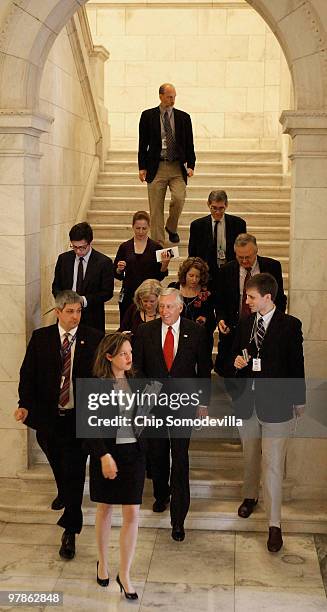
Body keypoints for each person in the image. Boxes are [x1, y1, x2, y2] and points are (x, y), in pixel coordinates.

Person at [14, 290, 103, 560]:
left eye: (78, 311)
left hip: (79, 417)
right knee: (55, 456)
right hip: (50, 416)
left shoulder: (94, 338)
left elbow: (101, 377)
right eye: (70, 312)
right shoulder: (41, 339)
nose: (76, 316)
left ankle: (70, 531)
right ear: (58, 313)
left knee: (75, 472)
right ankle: (64, 491)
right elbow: (27, 373)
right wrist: (24, 403)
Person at [232, 273, 305, 552]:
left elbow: (296, 365)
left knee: (273, 465)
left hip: (277, 407)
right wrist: (237, 362)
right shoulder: (245, 323)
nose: (247, 301)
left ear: (267, 297)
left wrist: (299, 400)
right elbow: (234, 359)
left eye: (251, 297)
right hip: (247, 404)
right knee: (250, 456)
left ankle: (275, 525)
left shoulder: (289, 325)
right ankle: (250, 496)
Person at [133, 288, 211, 542]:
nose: (164, 311)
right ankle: (161, 495)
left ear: (180, 308)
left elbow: (203, 370)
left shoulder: (196, 332)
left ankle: (178, 519)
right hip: (153, 403)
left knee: (179, 457)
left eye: (169, 307)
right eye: (162, 307)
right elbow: (138, 369)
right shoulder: (145, 332)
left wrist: (203, 403)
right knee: (156, 452)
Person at [85, 333, 145, 599]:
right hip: (107, 454)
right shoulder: (96, 386)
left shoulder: (135, 381)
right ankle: (103, 562)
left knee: (132, 512)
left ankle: (125, 573)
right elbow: (89, 427)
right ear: (109, 356)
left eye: (130, 352)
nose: (129, 357)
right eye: (123, 353)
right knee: (105, 508)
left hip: (133, 454)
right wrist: (102, 456)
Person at [215, 233, 287, 376]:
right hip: (235, 329)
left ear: (256, 251)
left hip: (263, 327)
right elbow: (221, 301)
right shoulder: (226, 270)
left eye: (248, 257)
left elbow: (279, 298)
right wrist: (220, 319)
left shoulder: (272, 266)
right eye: (240, 257)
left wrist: (274, 322)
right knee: (233, 370)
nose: (244, 261)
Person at [138, 83, 196, 246]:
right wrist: (142, 167)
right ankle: (158, 242)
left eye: (174, 96)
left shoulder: (184, 117)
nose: (173, 100)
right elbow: (142, 144)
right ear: (161, 96)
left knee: (179, 198)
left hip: (177, 166)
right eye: (170, 97)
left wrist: (191, 164)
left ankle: (171, 226)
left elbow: (189, 143)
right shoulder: (147, 116)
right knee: (155, 208)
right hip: (156, 167)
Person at [52, 222, 114, 333]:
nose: (78, 251)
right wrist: (65, 301)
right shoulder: (64, 259)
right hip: (66, 317)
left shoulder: (104, 262)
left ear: (90, 243)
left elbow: (107, 292)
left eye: (82, 247)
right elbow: (56, 287)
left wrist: (83, 300)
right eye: (74, 247)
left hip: (92, 318)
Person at [114, 210, 170, 323]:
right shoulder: (125, 247)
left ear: (149, 227)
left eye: (144, 228)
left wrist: (165, 264)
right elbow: (116, 274)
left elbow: (160, 276)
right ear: (133, 227)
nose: (141, 231)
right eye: (137, 228)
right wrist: (119, 269)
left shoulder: (156, 247)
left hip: (149, 297)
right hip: (129, 294)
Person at [188, 190, 246, 286]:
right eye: (214, 208)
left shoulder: (238, 224)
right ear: (208, 204)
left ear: (226, 205)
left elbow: (243, 249)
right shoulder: (197, 225)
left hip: (231, 271)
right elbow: (192, 254)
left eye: (221, 208)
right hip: (206, 273)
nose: (218, 212)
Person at [168, 256, 216, 354]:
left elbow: (211, 319)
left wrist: (204, 321)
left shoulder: (207, 293)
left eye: (197, 276)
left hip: (200, 339)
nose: (194, 280)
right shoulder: (173, 288)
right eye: (191, 275)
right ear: (184, 274)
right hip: (177, 337)